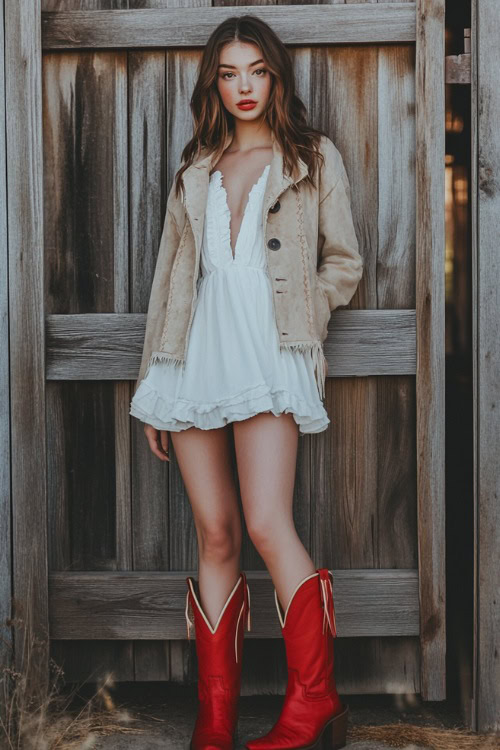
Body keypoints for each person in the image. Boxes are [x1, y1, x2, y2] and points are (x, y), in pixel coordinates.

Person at [129, 14, 363, 750]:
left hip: (267, 359)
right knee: (216, 532)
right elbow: (170, 283)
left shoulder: (310, 158)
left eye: (255, 71)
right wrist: (152, 389)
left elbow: (343, 263)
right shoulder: (195, 168)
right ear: (214, 84)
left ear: (276, 75)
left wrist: (298, 314)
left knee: (266, 522)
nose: (243, 87)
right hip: (193, 360)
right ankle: (217, 713)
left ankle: (315, 701)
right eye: (228, 74)